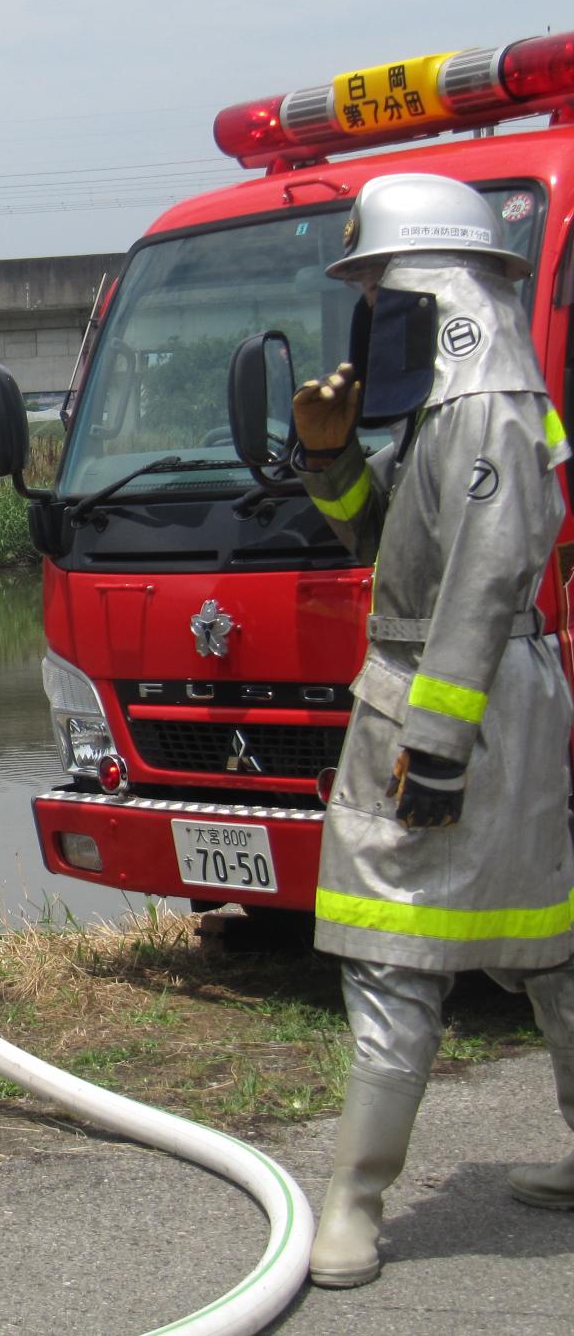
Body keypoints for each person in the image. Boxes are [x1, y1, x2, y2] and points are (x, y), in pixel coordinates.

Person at [290, 173, 574, 1287]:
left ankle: (353, 1204)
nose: (362, 306)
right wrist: (324, 461)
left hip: (449, 698)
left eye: (369, 282)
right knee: (550, 947)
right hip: (456, 686)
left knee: (391, 948)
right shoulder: (449, 396)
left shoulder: (482, 397)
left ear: (418, 282)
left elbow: (487, 576)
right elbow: (394, 549)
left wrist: (436, 741)